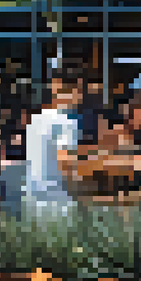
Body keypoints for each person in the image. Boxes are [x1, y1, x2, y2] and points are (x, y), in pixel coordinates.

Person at [25, 72, 84, 213]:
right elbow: (66, 163)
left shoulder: (35, 120)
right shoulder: (67, 123)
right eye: (80, 90)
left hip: (32, 201)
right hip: (58, 203)